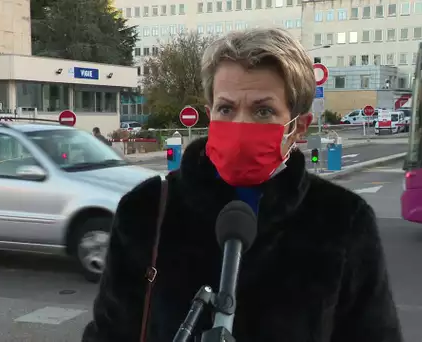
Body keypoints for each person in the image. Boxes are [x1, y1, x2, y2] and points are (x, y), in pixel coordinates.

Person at [82, 28, 402, 342]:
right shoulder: (146, 210)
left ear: (298, 127)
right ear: (210, 114)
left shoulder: (343, 220)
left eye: (263, 111)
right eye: (226, 108)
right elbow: (110, 332)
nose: (240, 125)